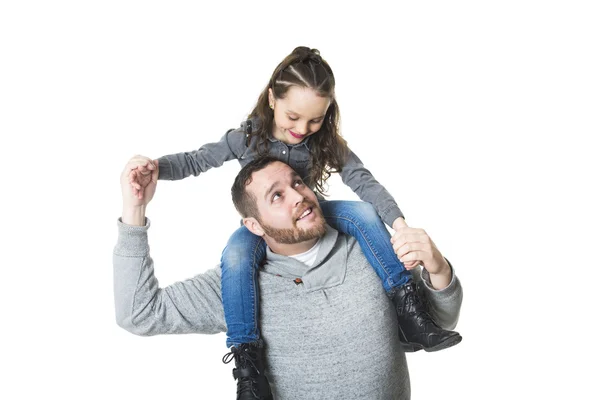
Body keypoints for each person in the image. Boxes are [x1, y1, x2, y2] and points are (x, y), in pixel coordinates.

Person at [127, 46, 461, 398]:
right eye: (293, 117)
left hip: (314, 214)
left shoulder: (326, 142)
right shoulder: (246, 138)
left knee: (363, 213)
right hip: (266, 228)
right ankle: (247, 363)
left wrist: (401, 224)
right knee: (236, 256)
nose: (302, 129)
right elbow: (197, 161)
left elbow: (364, 182)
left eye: (315, 120)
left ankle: (407, 306)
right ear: (272, 98)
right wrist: (157, 168)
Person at [115, 156, 463, 400]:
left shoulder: (371, 249)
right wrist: (134, 211)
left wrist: (437, 268)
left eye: (297, 183)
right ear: (253, 225)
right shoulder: (237, 286)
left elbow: (437, 322)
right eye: (277, 196)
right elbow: (139, 313)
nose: (299, 196)